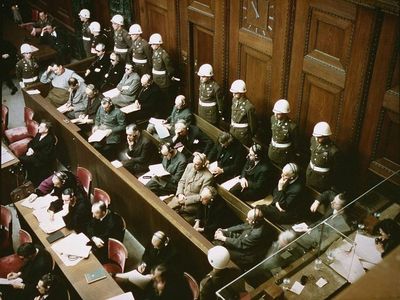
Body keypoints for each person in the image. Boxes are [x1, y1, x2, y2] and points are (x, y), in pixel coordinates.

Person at [306, 121, 341, 192]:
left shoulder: (333, 151)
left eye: (320, 137)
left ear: (327, 136)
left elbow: (335, 170)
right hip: (310, 174)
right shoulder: (313, 139)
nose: (317, 139)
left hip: (321, 180)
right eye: (316, 137)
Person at [19, 120, 57, 186]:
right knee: (21, 159)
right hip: (34, 154)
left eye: (41, 127)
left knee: (22, 159)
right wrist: (30, 148)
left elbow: (45, 155)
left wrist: (33, 153)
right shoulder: (39, 134)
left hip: (41, 160)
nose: (38, 128)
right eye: (39, 126)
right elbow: (31, 142)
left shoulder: (50, 140)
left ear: (46, 130)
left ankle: (27, 177)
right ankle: (25, 175)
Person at [149, 33, 176, 110]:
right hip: (156, 79)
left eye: (153, 44)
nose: (151, 46)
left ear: (158, 44)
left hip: (163, 80)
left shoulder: (164, 55)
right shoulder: (155, 52)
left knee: (165, 97)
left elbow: (169, 68)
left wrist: (170, 76)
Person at [268, 99, 298, 167]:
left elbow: (295, 143)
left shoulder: (292, 126)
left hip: (283, 155)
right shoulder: (273, 119)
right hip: (272, 151)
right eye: (275, 113)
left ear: (285, 114)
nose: (275, 115)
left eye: (278, 114)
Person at [229, 79, 257, 146]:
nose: (233, 94)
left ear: (242, 93)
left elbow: (253, 125)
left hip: (242, 134)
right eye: (233, 92)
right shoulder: (234, 100)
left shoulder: (248, 107)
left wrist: (249, 134)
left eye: (236, 93)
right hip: (233, 130)